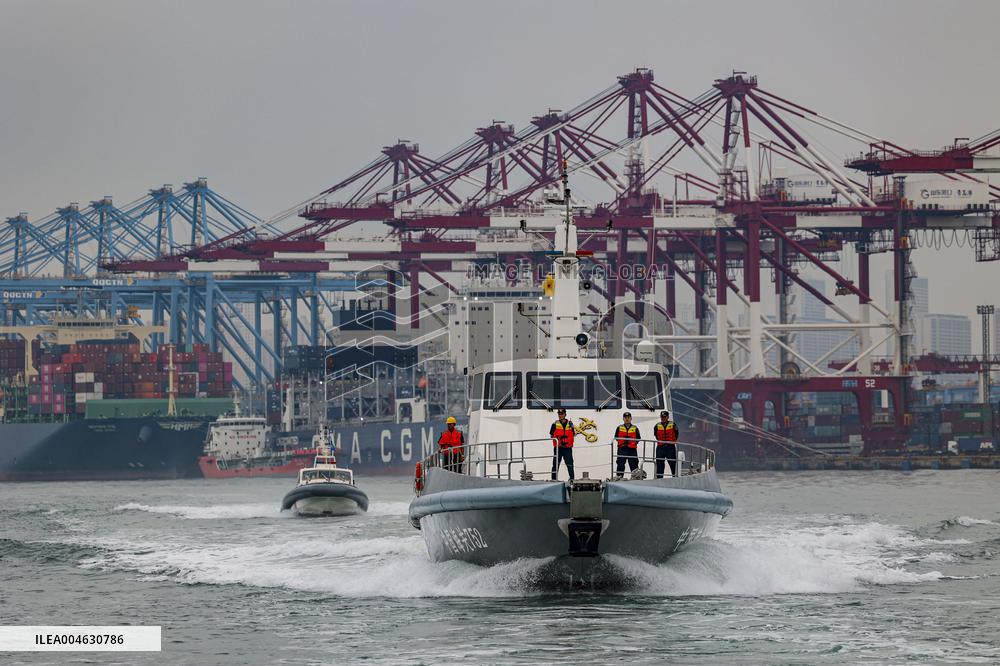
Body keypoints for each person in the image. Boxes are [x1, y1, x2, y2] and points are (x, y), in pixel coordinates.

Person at [549, 408, 575, 480]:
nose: (560, 415)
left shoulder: (570, 424)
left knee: (570, 464)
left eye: (562, 414)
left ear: (565, 415)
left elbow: (573, 434)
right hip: (558, 448)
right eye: (559, 414)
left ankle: (572, 479)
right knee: (555, 464)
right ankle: (554, 479)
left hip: (567, 448)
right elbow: (551, 435)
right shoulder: (554, 424)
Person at [614, 412, 641, 479]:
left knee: (634, 464)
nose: (627, 419)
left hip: (632, 449)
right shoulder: (619, 427)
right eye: (625, 417)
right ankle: (619, 477)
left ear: (631, 418)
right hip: (622, 449)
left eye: (628, 417)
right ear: (623, 418)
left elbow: (638, 438)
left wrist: (632, 444)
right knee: (620, 464)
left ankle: (635, 478)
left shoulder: (635, 428)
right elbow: (616, 437)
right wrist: (622, 443)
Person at [653, 410, 680, 478]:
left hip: (670, 447)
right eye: (662, 417)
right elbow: (656, 435)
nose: (663, 418)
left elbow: (676, 434)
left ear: (667, 417)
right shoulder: (657, 426)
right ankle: (659, 478)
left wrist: (671, 442)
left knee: (672, 463)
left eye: (664, 417)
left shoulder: (673, 425)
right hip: (660, 448)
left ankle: (674, 477)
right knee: (660, 463)